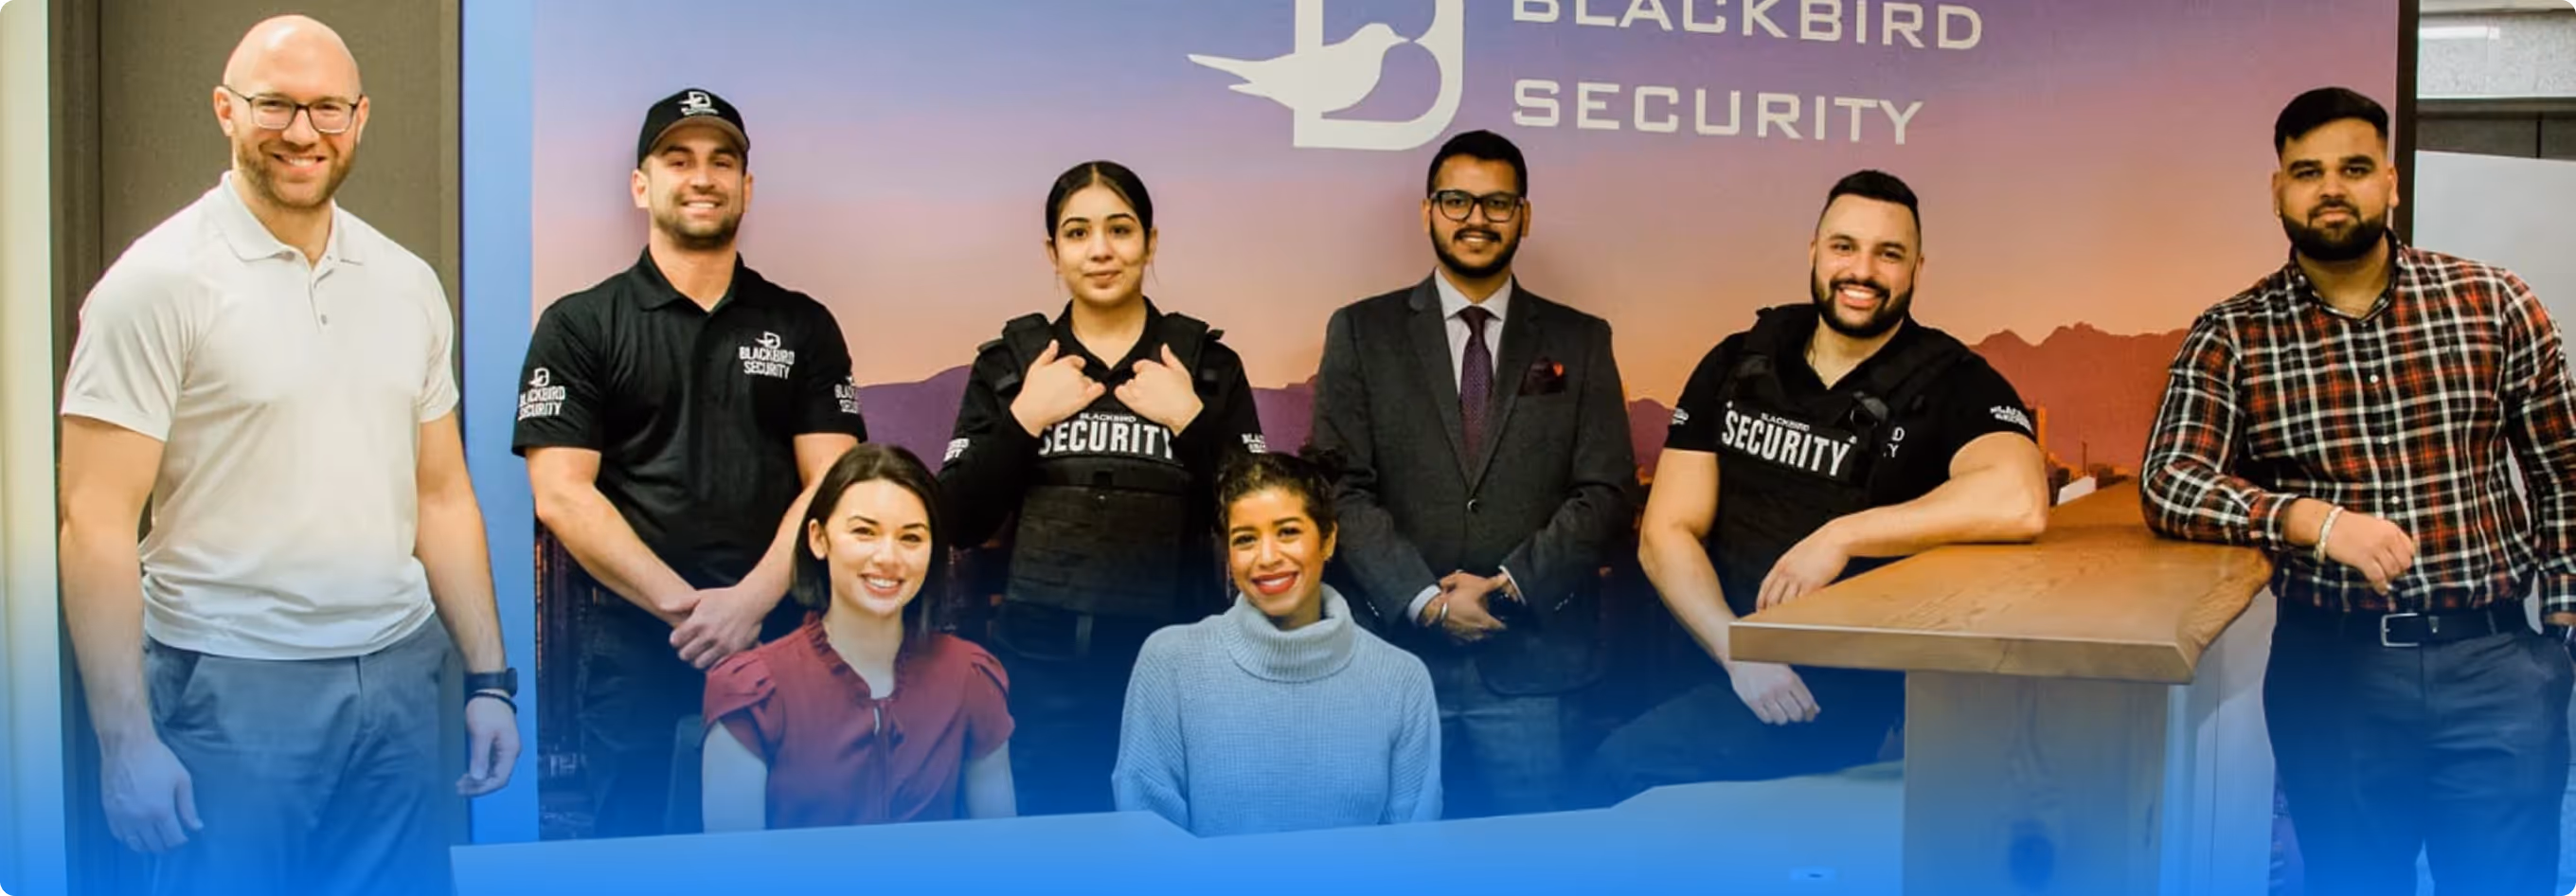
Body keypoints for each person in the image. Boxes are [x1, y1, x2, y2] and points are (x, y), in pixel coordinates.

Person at [57, 15, 518, 896]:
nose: (302, 132)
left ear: (360, 117)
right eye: (275, 105)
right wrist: (125, 744)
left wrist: (490, 681)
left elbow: (444, 495)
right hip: (229, 688)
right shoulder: (155, 284)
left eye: (326, 109)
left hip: (395, 678)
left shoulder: (406, 283)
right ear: (226, 110)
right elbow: (96, 522)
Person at [2139, 86, 2576, 896]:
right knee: (2352, 881)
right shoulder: (2233, 333)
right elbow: (2169, 481)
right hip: (2332, 674)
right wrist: (2308, 518)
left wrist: (2561, 625)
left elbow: (2563, 470)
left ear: (2392, 181)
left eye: (2354, 167)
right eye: (2307, 171)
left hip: (2497, 665)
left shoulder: (2493, 302)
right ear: (2279, 191)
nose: (2330, 187)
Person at [1578, 170, 2048, 804]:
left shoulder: (1950, 379)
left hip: (1828, 694)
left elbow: (2018, 500)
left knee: (1620, 772)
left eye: (1889, 253)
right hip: (1715, 654)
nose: (1863, 270)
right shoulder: (1738, 359)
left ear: (1916, 269)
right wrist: (1739, 654)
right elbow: (1665, 533)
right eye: (1844, 246)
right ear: (1814, 251)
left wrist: (1844, 535)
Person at [512, 86, 869, 837]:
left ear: (747, 186)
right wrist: (689, 611)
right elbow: (562, 494)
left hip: (783, 646)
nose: (702, 176)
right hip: (634, 651)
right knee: (631, 858)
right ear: (642, 185)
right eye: (679, 159)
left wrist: (747, 605)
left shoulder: (802, 324)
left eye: (722, 161)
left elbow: (834, 482)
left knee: (785, 861)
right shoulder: (580, 324)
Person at [1310, 130, 1638, 818]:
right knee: (1387, 865)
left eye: (1497, 203)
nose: (1476, 219)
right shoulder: (1362, 332)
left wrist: (1509, 587)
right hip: (1394, 661)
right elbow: (1340, 485)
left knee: (1532, 865)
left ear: (1525, 216)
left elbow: (1604, 489)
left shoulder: (1581, 339)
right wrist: (1425, 598)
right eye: (1456, 200)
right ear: (1427, 211)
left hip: (1534, 672)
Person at [939, 160, 1265, 815]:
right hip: (1035, 673)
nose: (1101, 250)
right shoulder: (1011, 365)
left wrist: (1189, 420)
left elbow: (1262, 514)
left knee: (1163, 857)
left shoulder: (1204, 366)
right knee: (1043, 859)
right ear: (1052, 252)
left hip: (1170, 672)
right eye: (1078, 232)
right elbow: (957, 518)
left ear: (1150, 241)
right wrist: (1026, 417)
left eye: (1119, 230)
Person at [1114, 449, 1442, 836]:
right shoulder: (1170, 661)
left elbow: (1410, 851)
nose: (1267, 557)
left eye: (1288, 531)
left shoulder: (1401, 678)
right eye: (1246, 539)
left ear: (1328, 539)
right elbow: (1150, 840)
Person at [699, 444, 1015, 831]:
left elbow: (1000, 851)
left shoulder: (970, 676)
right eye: (864, 532)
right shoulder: (752, 689)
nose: (888, 556)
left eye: (911, 538)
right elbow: (735, 874)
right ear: (819, 539)